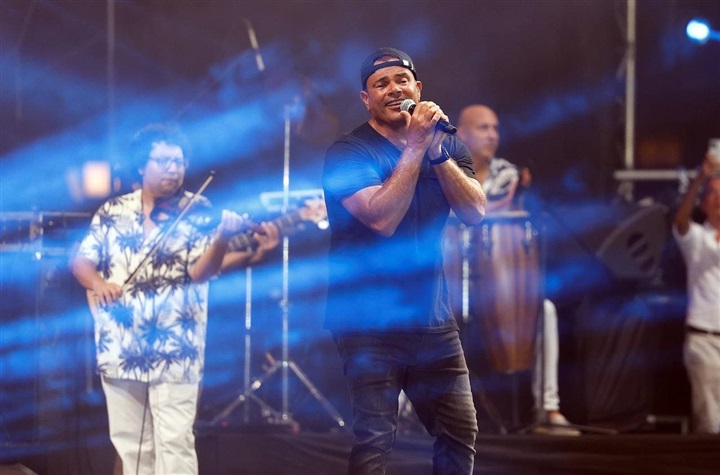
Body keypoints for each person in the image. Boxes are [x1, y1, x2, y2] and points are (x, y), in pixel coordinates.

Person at [71, 123, 280, 474]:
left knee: (175, 441)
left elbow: (200, 272)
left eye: (179, 162)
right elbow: (82, 262)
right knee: (131, 444)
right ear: (141, 165)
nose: (174, 169)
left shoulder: (199, 209)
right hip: (120, 343)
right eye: (164, 161)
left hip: (176, 345)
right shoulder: (113, 211)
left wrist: (222, 238)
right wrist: (99, 283)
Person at [322, 47, 486, 474]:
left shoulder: (446, 145)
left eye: (402, 80)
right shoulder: (348, 153)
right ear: (366, 99)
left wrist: (436, 152)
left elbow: (475, 212)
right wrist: (416, 147)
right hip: (366, 322)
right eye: (381, 84)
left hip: (432, 318)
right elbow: (381, 219)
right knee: (376, 439)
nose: (394, 89)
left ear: (418, 88)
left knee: (459, 433)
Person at [454, 104, 580, 436]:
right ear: (462, 133)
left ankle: (548, 408)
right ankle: (409, 410)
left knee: (546, 311)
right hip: (452, 279)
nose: (492, 135)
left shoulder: (508, 175)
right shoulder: (444, 169)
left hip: (500, 281)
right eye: (483, 128)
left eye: (495, 128)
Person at [672, 152, 720, 434]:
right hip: (704, 340)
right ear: (703, 202)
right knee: (710, 426)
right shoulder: (697, 239)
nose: (719, 198)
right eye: (713, 193)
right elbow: (681, 221)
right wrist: (702, 176)